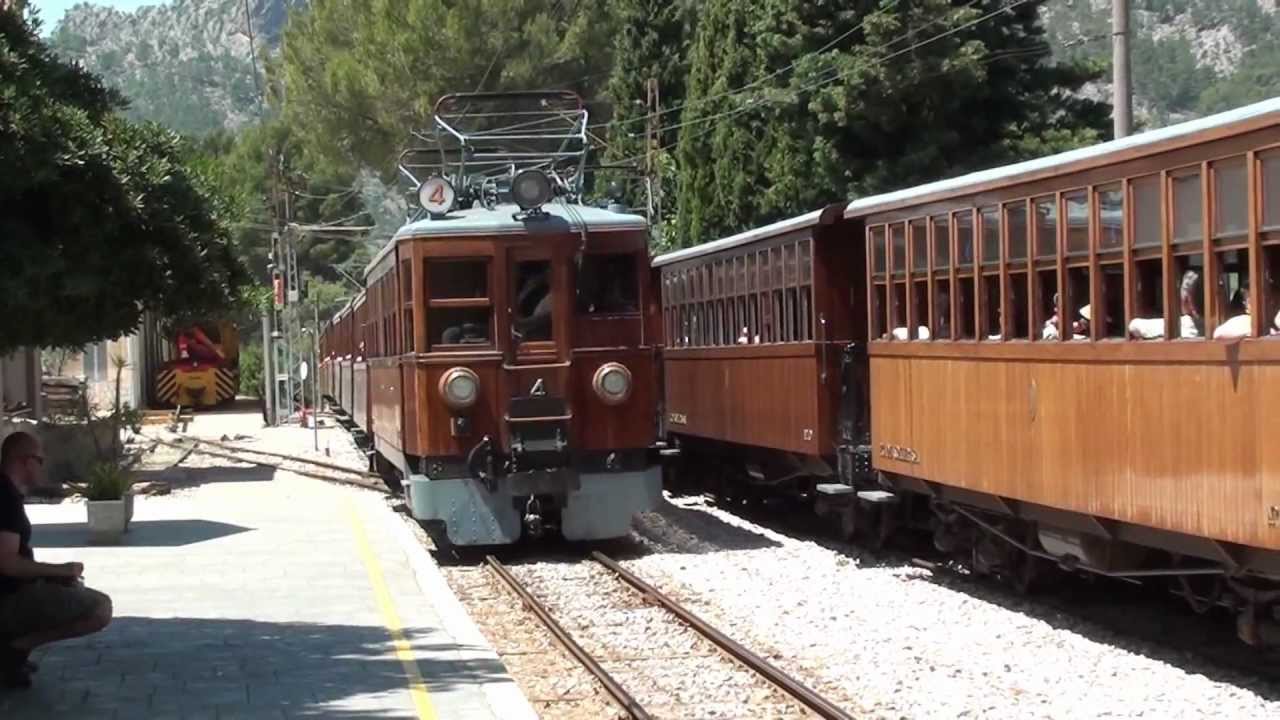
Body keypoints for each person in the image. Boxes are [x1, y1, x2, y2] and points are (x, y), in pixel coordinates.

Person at [0, 432, 113, 689]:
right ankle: (12, 651)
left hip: (14, 589)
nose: (43, 466)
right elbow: (6, 563)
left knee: (69, 589)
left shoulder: (8, 494)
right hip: (8, 598)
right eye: (40, 460)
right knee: (100, 609)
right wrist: (60, 570)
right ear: (24, 461)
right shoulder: (5, 499)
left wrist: (52, 576)